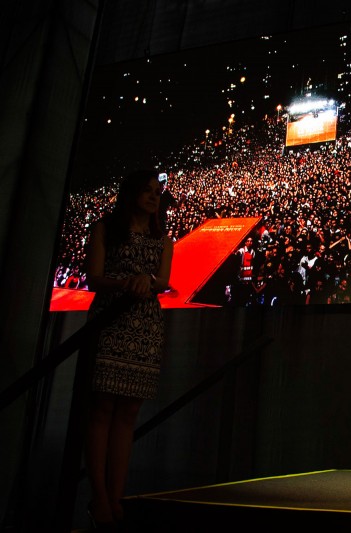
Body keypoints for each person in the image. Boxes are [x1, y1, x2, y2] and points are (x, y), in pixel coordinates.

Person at [83, 169, 174, 529]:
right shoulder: (104, 228)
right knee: (103, 409)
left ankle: (115, 498)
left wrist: (147, 281)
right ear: (131, 192)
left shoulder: (163, 239)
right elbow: (92, 277)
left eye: (157, 193)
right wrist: (127, 282)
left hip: (146, 326)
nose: (154, 197)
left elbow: (163, 280)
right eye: (147, 191)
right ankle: (99, 498)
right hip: (110, 321)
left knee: (128, 413)